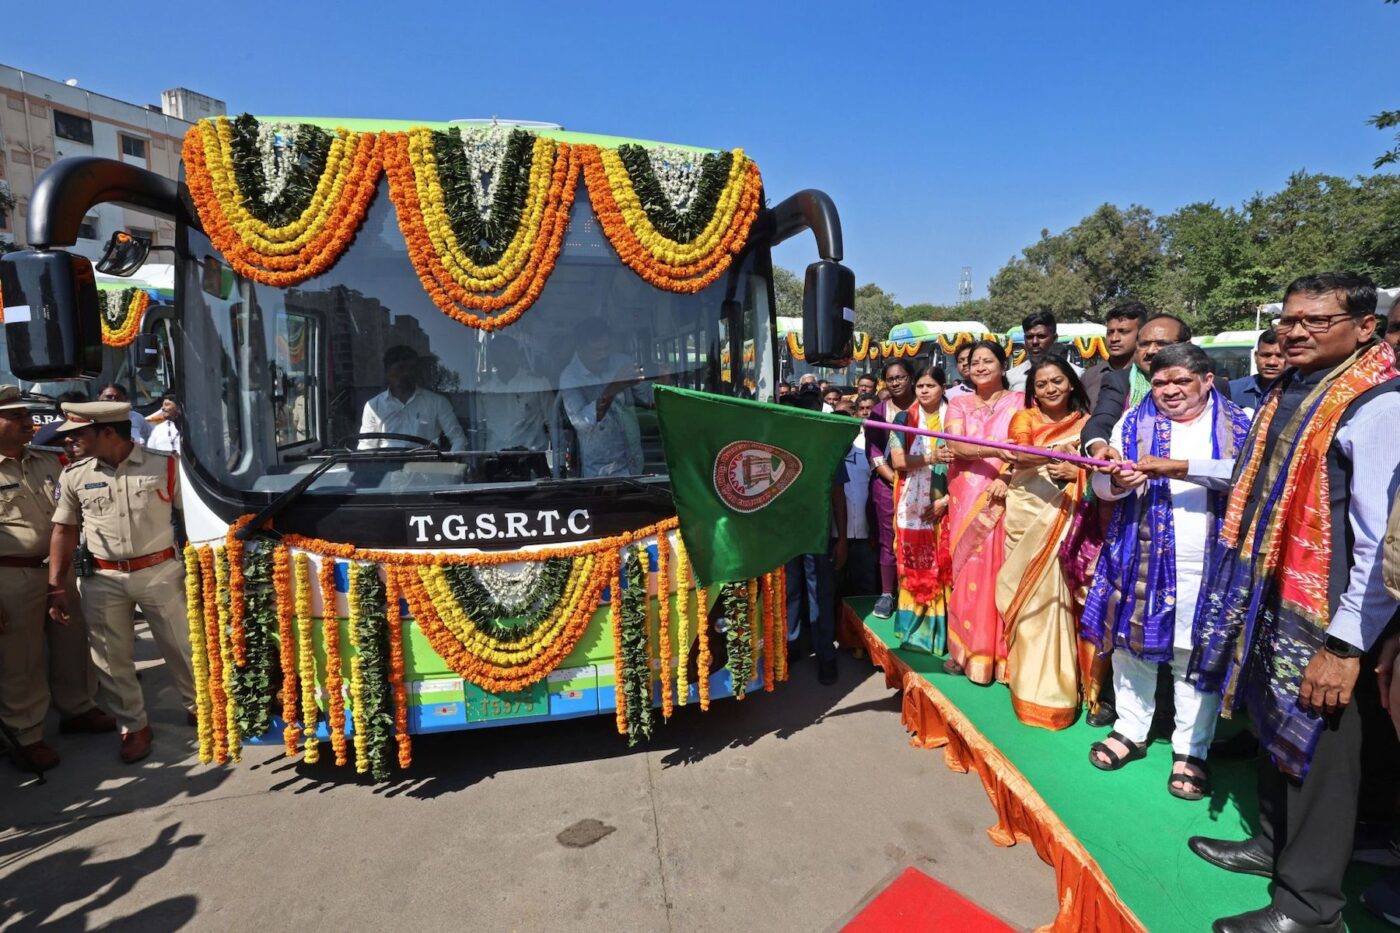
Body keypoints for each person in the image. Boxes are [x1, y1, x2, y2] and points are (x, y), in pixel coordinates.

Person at [1186, 272, 1400, 933]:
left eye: (1316, 321)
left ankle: (1309, 907)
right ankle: (1272, 846)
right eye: (1288, 319)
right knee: (1274, 725)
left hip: (1330, 609)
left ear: (1364, 327)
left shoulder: (1378, 405)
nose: (1295, 331)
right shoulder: (1293, 389)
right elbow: (1255, 478)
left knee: (1320, 751)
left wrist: (1345, 645)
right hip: (1275, 593)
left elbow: (1381, 541)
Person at [1081, 344, 1250, 802]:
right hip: (1139, 557)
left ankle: (1191, 751)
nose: (1169, 390)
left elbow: (1248, 477)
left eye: (1181, 381)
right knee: (1130, 647)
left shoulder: (1239, 423)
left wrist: (1177, 468)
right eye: (1159, 383)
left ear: (1207, 381)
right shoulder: (1132, 422)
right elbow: (1101, 482)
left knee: (1192, 655)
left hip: (1209, 563)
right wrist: (1116, 480)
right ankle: (1129, 730)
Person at [46, 401, 198, 764]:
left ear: (108, 432)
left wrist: (202, 573)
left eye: (78, 434)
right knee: (110, 659)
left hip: (160, 573)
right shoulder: (74, 475)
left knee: (183, 647)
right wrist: (56, 586)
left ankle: (201, 708)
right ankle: (133, 727)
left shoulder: (166, 465)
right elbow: (63, 530)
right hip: (102, 578)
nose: (68, 441)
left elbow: (190, 520)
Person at [0, 387, 113, 771]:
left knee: (72, 641)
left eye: (25, 414)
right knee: (21, 657)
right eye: (14, 416)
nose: (26, 421)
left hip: (58, 567)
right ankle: (27, 734)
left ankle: (78, 707)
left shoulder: (49, 460)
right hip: (11, 576)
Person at [996, 359, 1092, 729]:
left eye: (1057, 381)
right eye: (1041, 384)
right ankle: (1025, 683)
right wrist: (1065, 450)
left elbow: (1095, 467)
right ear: (1032, 391)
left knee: (1057, 600)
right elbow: (1020, 454)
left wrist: (1076, 465)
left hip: (1063, 513)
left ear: (1071, 384)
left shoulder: (1087, 424)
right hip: (1025, 514)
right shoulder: (1024, 418)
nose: (1050, 389)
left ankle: (1059, 690)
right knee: (1024, 598)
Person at [943, 340, 1024, 683]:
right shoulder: (958, 403)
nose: (979, 367)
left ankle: (1002, 658)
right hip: (967, 496)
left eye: (988, 361)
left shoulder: (1021, 401)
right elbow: (956, 445)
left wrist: (1006, 473)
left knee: (1002, 571)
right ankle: (964, 652)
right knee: (967, 570)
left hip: (1007, 492)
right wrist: (998, 450)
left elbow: (1026, 447)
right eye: (974, 362)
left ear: (1003, 365)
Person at [887, 366, 953, 654]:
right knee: (913, 565)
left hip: (950, 503)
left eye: (931, 385)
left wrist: (947, 500)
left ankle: (945, 635)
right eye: (920, 386)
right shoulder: (903, 419)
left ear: (943, 388)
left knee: (945, 563)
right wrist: (931, 457)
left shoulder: (956, 419)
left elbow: (966, 465)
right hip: (912, 505)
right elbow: (898, 461)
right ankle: (915, 633)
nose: (924, 391)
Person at [782, 390, 846, 685]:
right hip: (786, 534)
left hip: (818, 535)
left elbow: (838, 497)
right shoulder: (778, 445)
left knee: (820, 593)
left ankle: (825, 655)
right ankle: (790, 647)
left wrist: (842, 538)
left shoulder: (827, 447)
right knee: (789, 592)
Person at [560, 320, 655, 478]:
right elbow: (581, 422)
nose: (603, 355)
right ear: (580, 349)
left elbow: (648, 397)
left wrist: (662, 380)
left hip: (633, 462)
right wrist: (614, 388)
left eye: (606, 349)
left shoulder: (622, 363)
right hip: (599, 469)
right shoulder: (570, 378)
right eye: (596, 350)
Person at [864, 361, 917, 619]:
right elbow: (874, 453)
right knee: (889, 538)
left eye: (901, 377)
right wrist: (895, 480)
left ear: (911, 378)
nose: (895, 383)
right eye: (890, 379)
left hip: (924, 481)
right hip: (888, 484)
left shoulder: (927, 405)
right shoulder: (878, 411)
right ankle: (887, 593)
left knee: (921, 537)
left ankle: (920, 591)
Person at [359, 345, 467, 452]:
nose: (405, 374)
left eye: (410, 369)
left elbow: (458, 439)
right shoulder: (374, 406)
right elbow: (366, 446)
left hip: (427, 462)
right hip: (387, 461)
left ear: (416, 372)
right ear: (387, 372)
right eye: (400, 369)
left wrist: (451, 461)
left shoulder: (438, 402)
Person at [478, 336, 552, 479]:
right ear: (492, 358)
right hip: (495, 462)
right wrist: (477, 465)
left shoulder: (538, 384)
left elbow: (554, 425)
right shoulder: (484, 390)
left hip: (531, 461)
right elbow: (479, 429)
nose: (503, 360)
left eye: (507, 354)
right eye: (498, 355)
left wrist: (560, 466)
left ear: (517, 355)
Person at [836, 395, 878, 601]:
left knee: (865, 593)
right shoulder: (826, 447)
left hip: (865, 536)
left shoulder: (867, 445)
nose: (844, 419)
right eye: (838, 415)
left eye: (848, 413)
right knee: (835, 593)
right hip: (834, 537)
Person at [1079, 302, 1146, 408]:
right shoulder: (1090, 376)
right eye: (1110, 332)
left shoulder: (1150, 375)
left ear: (1141, 334)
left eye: (1123, 332)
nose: (1114, 339)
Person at [1008, 310, 1080, 393]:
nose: (1035, 342)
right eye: (1029, 337)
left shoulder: (1077, 374)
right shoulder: (1011, 377)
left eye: (1041, 336)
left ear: (1055, 338)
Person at [1228, 330, 1287, 416]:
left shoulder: (1299, 393)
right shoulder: (1231, 390)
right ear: (1256, 357)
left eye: (1280, 356)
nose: (1271, 362)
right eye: (1266, 355)